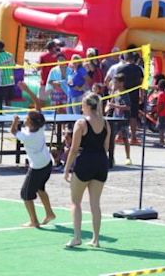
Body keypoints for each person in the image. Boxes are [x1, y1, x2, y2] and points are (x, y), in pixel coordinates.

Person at [64, 92, 110, 248]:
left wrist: (67, 168)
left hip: (85, 162)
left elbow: (74, 148)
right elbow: (105, 147)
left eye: (82, 105)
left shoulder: (81, 123)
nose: (81, 108)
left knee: (75, 202)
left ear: (87, 106)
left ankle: (77, 236)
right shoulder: (105, 123)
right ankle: (96, 239)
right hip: (101, 162)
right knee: (95, 203)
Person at [10, 81, 55, 228]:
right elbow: (38, 104)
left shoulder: (27, 136)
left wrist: (15, 121)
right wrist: (27, 90)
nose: (25, 119)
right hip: (47, 164)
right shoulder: (40, 127)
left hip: (37, 167)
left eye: (27, 119)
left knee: (25, 194)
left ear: (32, 123)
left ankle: (34, 221)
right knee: (40, 188)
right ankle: (49, 213)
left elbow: (13, 131)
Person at [116, 52, 144, 145]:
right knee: (133, 116)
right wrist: (142, 94)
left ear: (124, 58)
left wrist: (114, 94)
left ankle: (119, 136)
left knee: (121, 114)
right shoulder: (138, 69)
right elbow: (141, 83)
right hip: (134, 94)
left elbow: (116, 82)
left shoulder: (120, 68)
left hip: (123, 93)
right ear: (134, 58)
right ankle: (133, 138)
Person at [106, 73, 131, 165]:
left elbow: (127, 107)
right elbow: (111, 102)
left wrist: (114, 105)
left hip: (124, 119)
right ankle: (112, 158)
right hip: (115, 119)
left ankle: (128, 158)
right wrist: (108, 107)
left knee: (125, 138)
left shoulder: (125, 94)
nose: (114, 84)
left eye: (116, 82)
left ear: (121, 83)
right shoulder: (115, 92)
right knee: (112, 139)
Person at [0, 40, 15, 108]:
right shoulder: (10, 55)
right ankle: (9, 114)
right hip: (11, 81)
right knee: (8, 100)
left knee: (1, 100)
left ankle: (2, 114)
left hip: (1, 82)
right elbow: (13, 66)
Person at [155, 79, 165, 148]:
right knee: (162, 128)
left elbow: (161, 105)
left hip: (162, 113)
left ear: (159, 86)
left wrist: (157, 113)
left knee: (161, 129)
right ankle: (162, 140)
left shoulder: (161, 94)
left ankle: (161, 142)